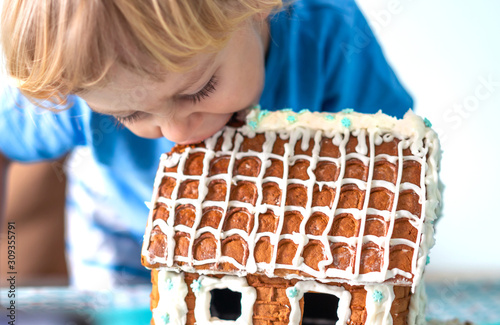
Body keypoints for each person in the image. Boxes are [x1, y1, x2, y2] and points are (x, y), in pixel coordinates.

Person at [0, 0, 412, 289]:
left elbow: (389, 157)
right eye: (130, 116)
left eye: (199, 90)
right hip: (126, 239)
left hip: (287, 242)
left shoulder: (329, 36)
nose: (177, 131)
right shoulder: (74, 83)